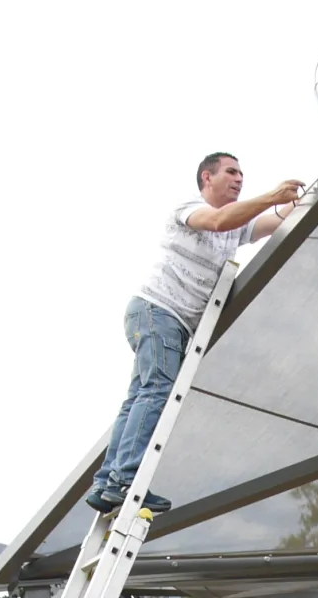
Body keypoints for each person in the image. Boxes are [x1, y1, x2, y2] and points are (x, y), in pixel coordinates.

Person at [85, 154, 305, 515]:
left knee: (140, 395)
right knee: (156, 390)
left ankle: (109, 481)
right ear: (207, 177)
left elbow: (269, 222)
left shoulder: (237, 226)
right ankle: (124, 479)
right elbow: (218, 221)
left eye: (242, 175)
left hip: (167, 320)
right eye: (231, 172)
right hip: (158, 310)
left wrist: (296, 203)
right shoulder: (189, 208)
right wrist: (272, 196)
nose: (239, 180)